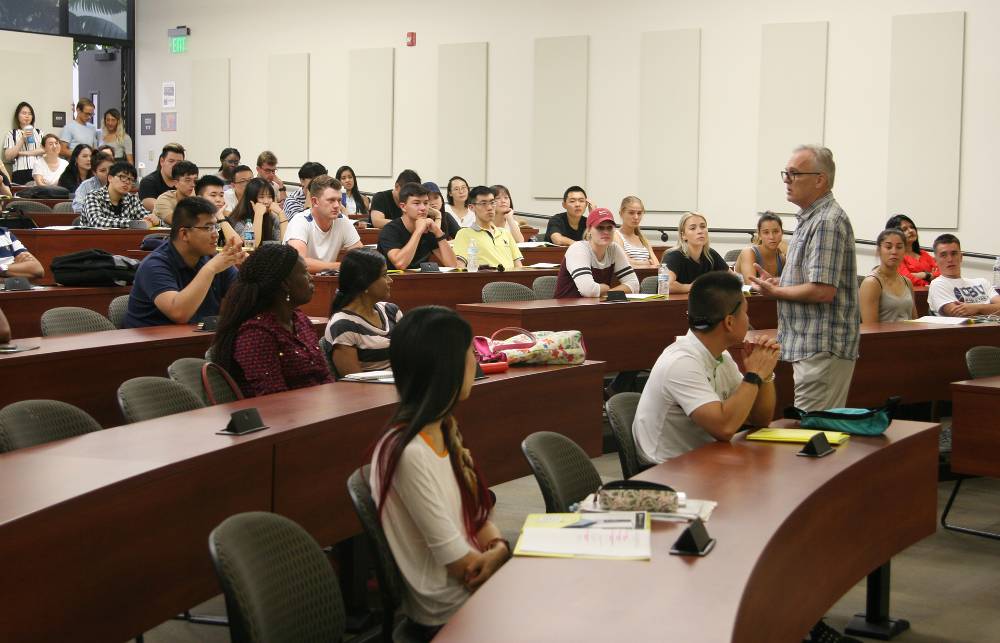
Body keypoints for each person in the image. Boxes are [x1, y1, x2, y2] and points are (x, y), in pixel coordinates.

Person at [370, 306, 510, 637]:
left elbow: (477, 516)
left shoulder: (443, 428)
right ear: (447, 370)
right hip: (449, 612)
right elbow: (463, 567)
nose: (475, 362)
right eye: (470, 356)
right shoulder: (409, 452)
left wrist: (501, 548)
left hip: (473, 594)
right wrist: (499, 555)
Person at [750, 145, 859, 412]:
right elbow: (813, 280)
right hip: (811, 346)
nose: (787, 180)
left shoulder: (826, 222)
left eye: (794, 174)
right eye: (785, 174)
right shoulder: (811, 219)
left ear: (820, 179)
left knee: (813, 435)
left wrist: (776, 293)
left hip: (822, 346)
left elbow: (822, 291)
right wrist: (780, 283)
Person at [633, 271, 780, 463]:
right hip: (666, 472)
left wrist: (764, 374)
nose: (748, 320)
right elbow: (725, 428)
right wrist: (753, 375)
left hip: (703, 459)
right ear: (729, 322)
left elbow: (759, 420)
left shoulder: (721, 356)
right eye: (745, 312)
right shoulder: (682, 363)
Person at [210, 244, 332, 397]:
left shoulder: (300, 319)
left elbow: (324, 375)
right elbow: (273, 396)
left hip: (319, 409)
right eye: (305, 272)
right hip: (282, 416)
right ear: (285, 284)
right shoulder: (256, 333)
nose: (311, 278)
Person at [123, 196, 246, 327]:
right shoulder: (154, 265)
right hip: (152, 343)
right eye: (208, 228)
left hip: (197, 339)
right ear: (184, 234)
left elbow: (244, 298)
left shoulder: (211, 259)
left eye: (216, 227)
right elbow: (179, 313)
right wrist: (210, 269)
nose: (215, 234)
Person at [324, 248, 402, 376]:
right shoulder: (343, 325)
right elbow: (353, 382)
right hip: (370, 393)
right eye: (384, 275)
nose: (390, 280)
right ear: (365, 282)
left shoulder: (391, 311)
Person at [284, 175, 363, 273]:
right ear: (314, 201)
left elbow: (361, 257)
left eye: (339, 200)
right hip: (297, 284)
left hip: (325, 282)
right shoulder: (300, 221)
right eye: (331, 200)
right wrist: (340, 266)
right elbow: (299, 263)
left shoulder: (342, 221)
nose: (337, 206)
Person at [553, 207, 638, 297]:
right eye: (600, 228)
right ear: (589, 230)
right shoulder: (578, 249)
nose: (606, 232)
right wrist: (605, 289)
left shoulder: (614, 249)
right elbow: (588, 290)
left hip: (597, 306)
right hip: (567, 308)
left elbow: (634, 285)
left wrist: (608, 293)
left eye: (609, 228)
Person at [378, 183, 458, 270]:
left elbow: (452, 265)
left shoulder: (429, 229)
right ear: (403, 207)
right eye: (416, 203)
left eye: (426, 203)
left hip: (420, 280)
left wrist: (438, 232)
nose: (423, 208)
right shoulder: (390, 230)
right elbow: (400, 264)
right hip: (393, 281)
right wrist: (418, 231)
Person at [927, 234, 1000, 317]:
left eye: (954, 254)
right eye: (943, 255)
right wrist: (992, 309)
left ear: (961, 257)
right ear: (935, 260)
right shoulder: (938, 284)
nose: (950, 259)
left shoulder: (983, 282)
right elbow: (957, 314)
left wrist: (977, 308)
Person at [453, 186, 524, 270]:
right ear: (471, 207)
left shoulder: (505, 233)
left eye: (492, 202)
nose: (490, 208)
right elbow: (460, 267)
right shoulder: (464, 234)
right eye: (483, 203)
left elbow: (518, 266)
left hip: (510, 281)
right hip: (485, 281)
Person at [661, 212, 728, 293]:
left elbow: (733, 278)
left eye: (703, 227)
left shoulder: (711, 254)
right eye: (693, 228)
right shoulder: (673, 256)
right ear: (683, 235)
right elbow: (666, 285)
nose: (700, 231)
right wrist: (693, 287)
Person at [860, 229, 917, 324]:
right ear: (879, 250)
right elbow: (870, 328)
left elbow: (914, 321)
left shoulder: (907, 282)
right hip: (885, 338)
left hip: (908, 337)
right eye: (888, 247)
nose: (894, 251)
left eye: (899, 247)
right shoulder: (871, 283)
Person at [81, 161, 158, 228]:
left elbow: (147, 218)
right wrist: (135, 223)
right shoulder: (93, 196)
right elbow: (97, 221)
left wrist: (154, 220)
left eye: (131, 179)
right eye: (123, 177)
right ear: (110, 178)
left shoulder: (132, 199)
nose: (127, 182)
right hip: (94, 242)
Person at [223, 178, 288, 248]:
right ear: (251, 200)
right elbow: (251, 245)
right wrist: (258, 215)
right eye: (261, 197)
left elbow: (285, 244)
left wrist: (281, 214)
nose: (266, 201)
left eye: (269, 197)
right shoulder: (237, 220)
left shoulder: (272, 217)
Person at [885, 214, 939, 287]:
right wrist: (928, 277)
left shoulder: (923, 253)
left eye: (912, 227)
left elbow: (941, 273)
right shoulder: (896, 256)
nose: (911, 231)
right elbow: (905, 279)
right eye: (904, 229)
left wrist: (923, 275)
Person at [736, 212, 786, 282]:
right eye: (766, 232)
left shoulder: (782, 259)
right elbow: (751, 285)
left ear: (782, 233)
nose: (771, 237)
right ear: (759, 235)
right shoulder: (748, 252)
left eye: (776, 231)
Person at [4, 101, 45, 184]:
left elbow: (45, 150)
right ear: (17, 116)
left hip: (39, 171)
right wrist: (22, 139)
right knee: (20, 195)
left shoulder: (39, 132)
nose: (27, 116)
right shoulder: (12, 133)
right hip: (20, 171)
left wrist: (20, 153)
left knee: (40, 195)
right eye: (24, 113)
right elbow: (8, 156)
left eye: (30, 114)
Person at [138, 143, 186, 211]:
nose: (175, 165)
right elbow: (158, 208)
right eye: (171, 161)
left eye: (179, 162)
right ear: (162, 161)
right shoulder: (148, 182)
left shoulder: (186, 182)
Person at [615, 196, 659, 268]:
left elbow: (657, 265)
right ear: (621, 213)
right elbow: (624, 263)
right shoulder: (616, 235)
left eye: (639, 213)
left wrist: (635, 263)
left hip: (646, 277)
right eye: (631, 213)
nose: (636, 217)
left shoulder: (643, 239)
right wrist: (648, 263)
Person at [152, 160, 199, 225]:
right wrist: (192, 202)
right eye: (187, 180)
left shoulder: (199, 198)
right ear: (175, 183)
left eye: (195, 180)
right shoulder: (164, 199)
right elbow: (180, 223)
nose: (193, 184)